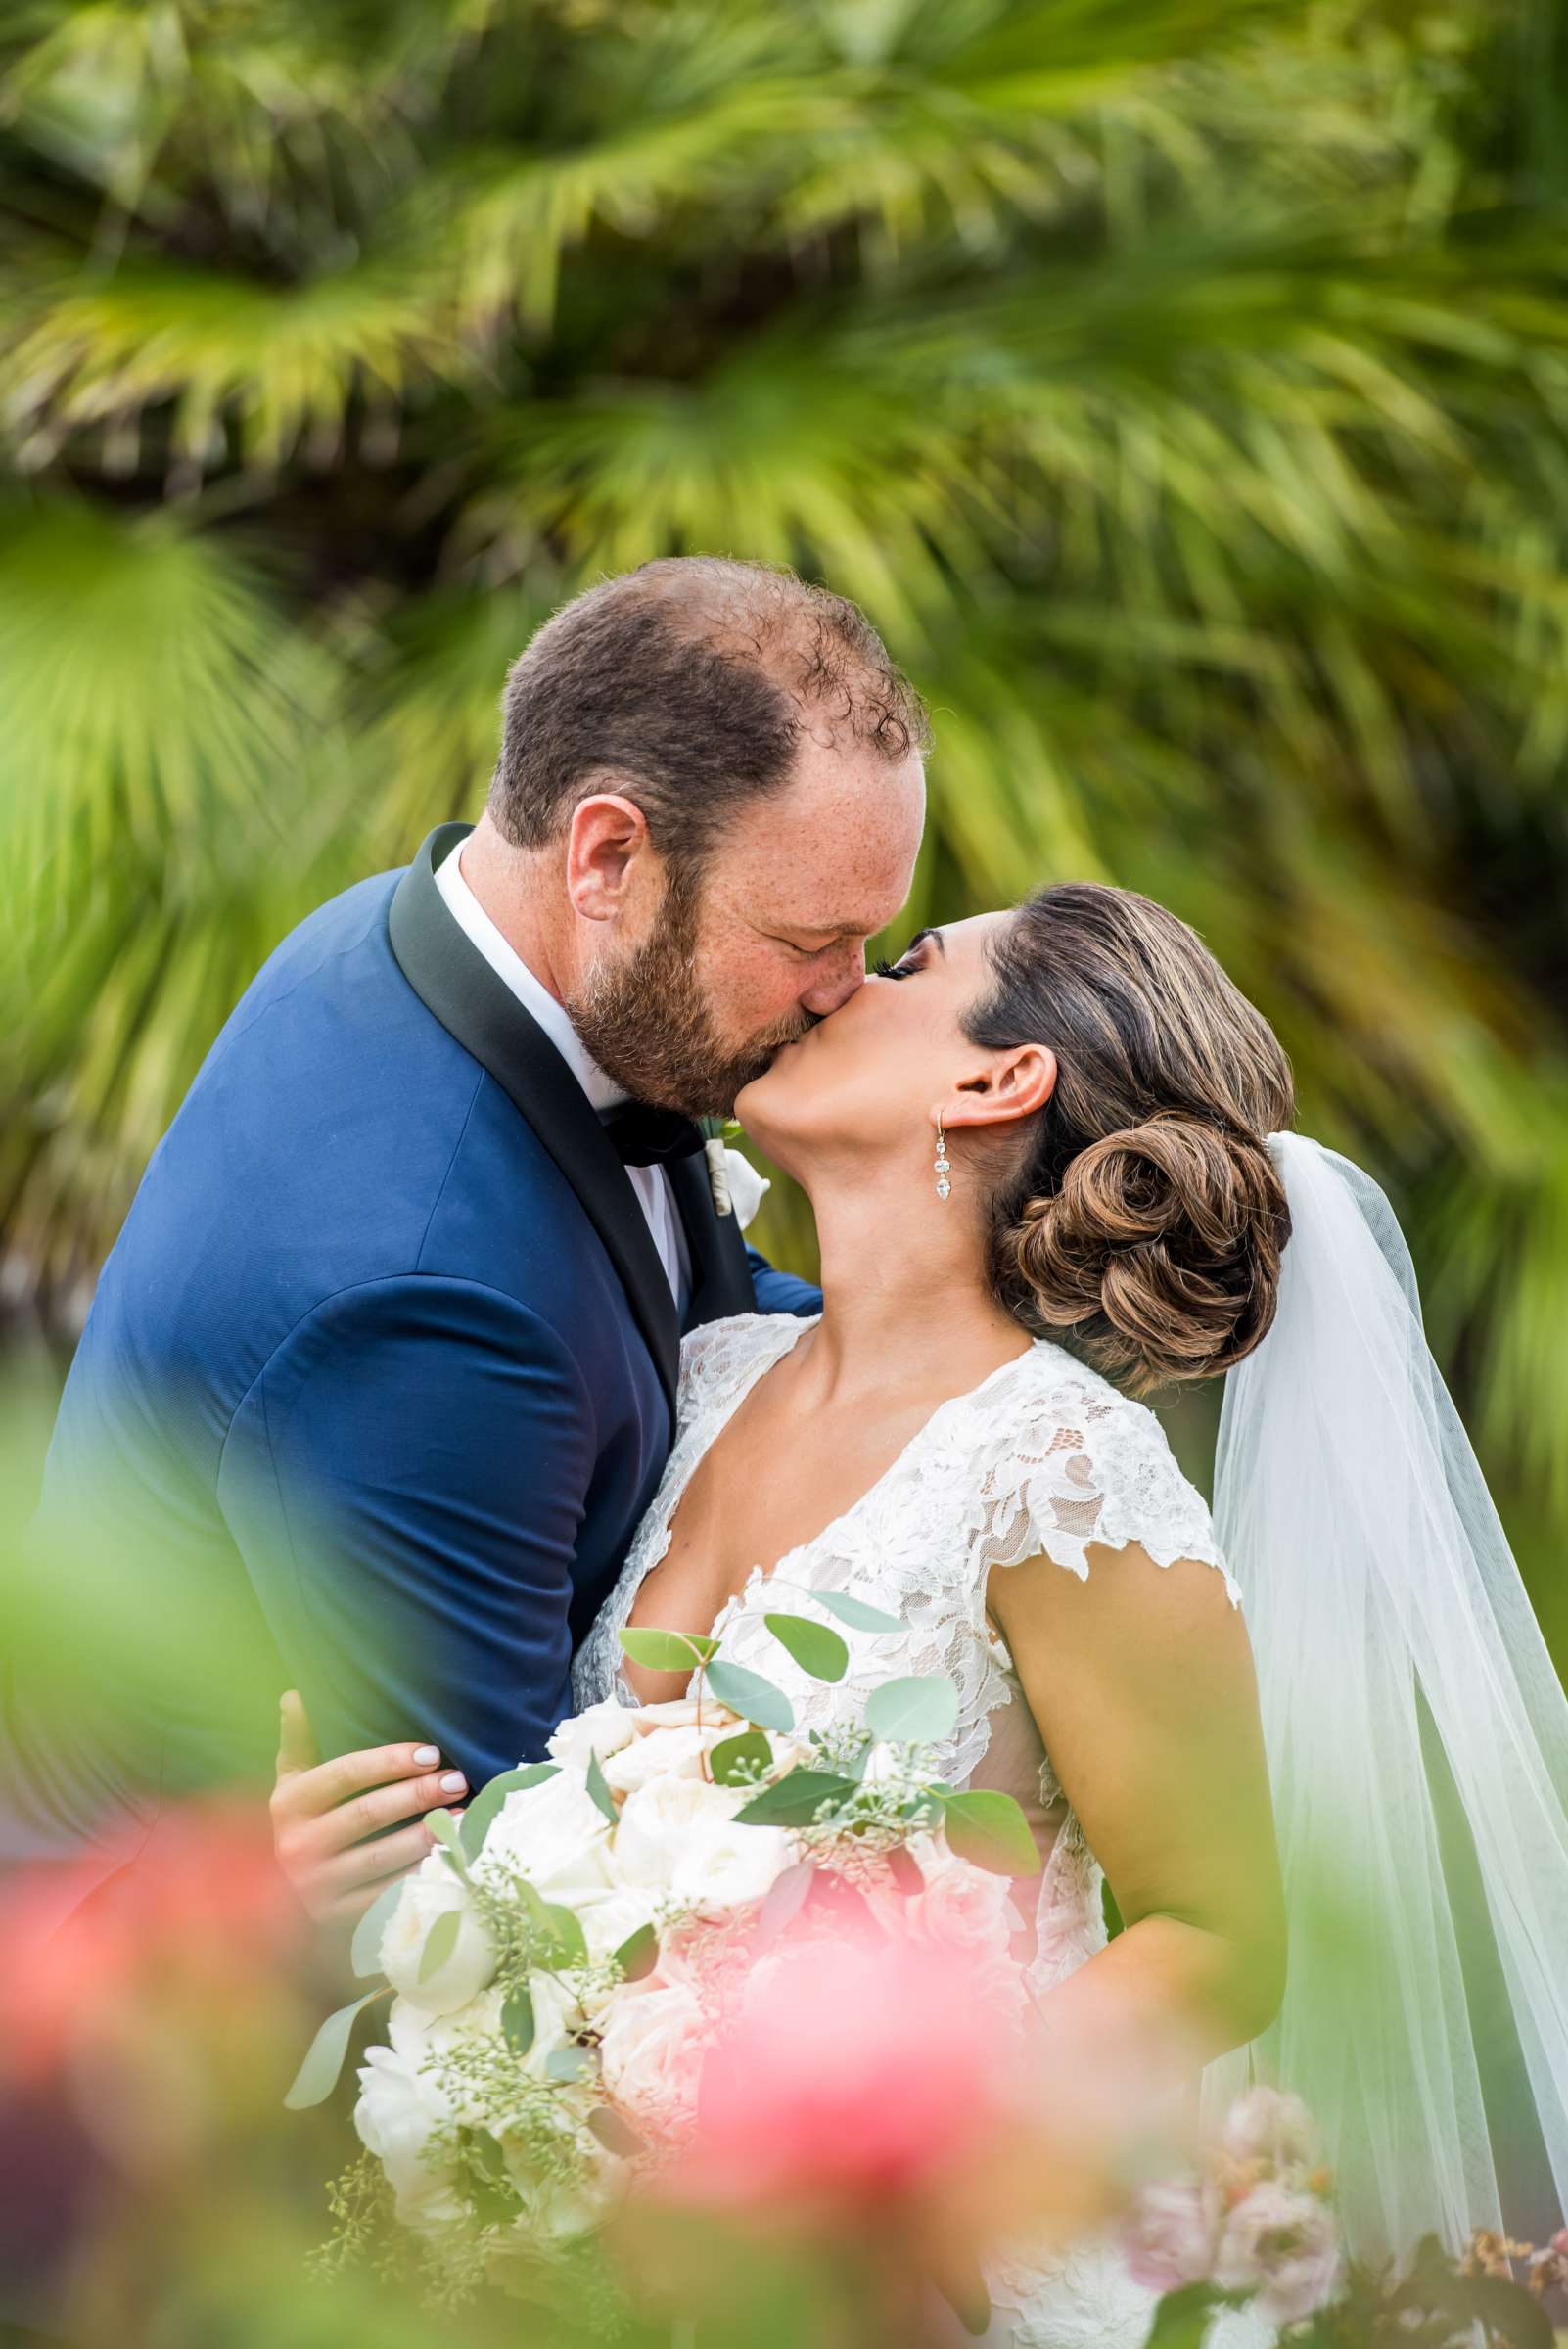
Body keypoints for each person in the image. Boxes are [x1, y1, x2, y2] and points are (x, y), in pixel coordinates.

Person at [278, 883, 1568, 2342]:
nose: (833, 986)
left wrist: (896, 2172)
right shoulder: (706, 1375)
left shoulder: (1057, 1467)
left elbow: (1219, 1930)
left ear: (995, 1079)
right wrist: (405, 1891)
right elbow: (596, 1814)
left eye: (904, 965)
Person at [5, 556, 926, 1916]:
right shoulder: (425, 1295)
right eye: (809, 938)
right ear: (605, 854)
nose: (847, 995)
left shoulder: (425, 940)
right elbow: (508, 1888)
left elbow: (694, 1316)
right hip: (190, 2010)